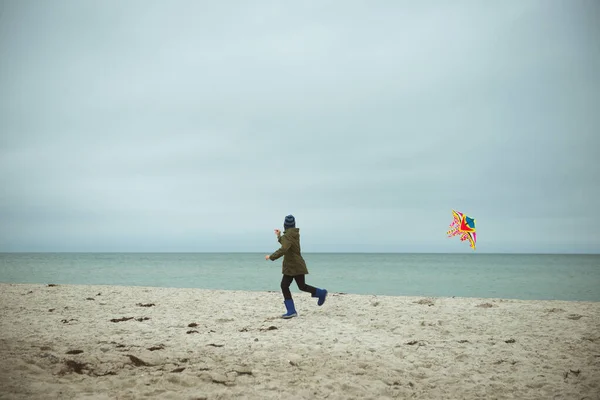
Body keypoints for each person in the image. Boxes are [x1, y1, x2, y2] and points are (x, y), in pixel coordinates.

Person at [265, 214, 327, 319]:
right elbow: (287, 244)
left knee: (285, 286)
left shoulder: (288, 236)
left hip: (292, 266)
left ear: (285, 225)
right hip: (296, 265)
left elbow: (284, 248)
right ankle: (320, 293)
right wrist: (279, 236)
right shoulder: (293, 234)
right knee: (301, 286)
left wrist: (271, 256)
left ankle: (291, 310)